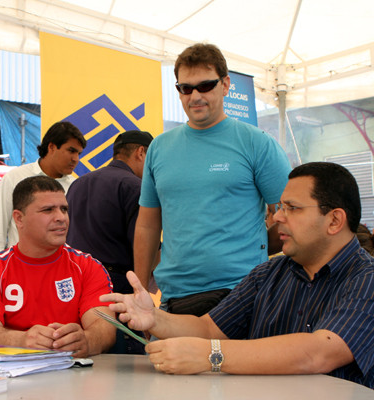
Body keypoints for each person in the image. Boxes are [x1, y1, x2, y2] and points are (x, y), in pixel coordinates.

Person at [102, 162, 374, 388]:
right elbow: (208, 328)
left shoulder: (366, 280)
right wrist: (155, 318)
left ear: (335, 220)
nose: (278, 217)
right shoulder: (267, 274)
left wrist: (212, 356)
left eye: (292, 208)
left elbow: (320, 352)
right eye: (280, 207)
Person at [135, 43, 291, 316]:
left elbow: (293, 214)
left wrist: (254, 250)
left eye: (205, 86)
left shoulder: (256, 143)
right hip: (175, 299)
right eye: (185, 88)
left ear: (225, 84)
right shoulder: (159, 148)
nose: (194, 96)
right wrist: (140, 291)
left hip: (242, 294)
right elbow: (148, 225)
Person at [0, 176, 115, 357]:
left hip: (74, 378)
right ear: (19, 218)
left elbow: (105, 329)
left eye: (64, 209)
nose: (61, 218)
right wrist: (21, 341)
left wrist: (87, 340)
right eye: (48, 210)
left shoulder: (89, 267)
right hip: (9, 380)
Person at [0, 121, 86, 259]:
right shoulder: (15, 178)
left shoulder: (76, 186)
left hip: (62, 270)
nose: (76, 159)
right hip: (19, 268)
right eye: (71, 151)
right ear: (52, 147)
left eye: (79, 153)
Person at [66, 129, 154, 294]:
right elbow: (144, 244)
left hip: (73, 281)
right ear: (141, 152)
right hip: (114, 286)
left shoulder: (77, 184)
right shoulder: (135, 186)